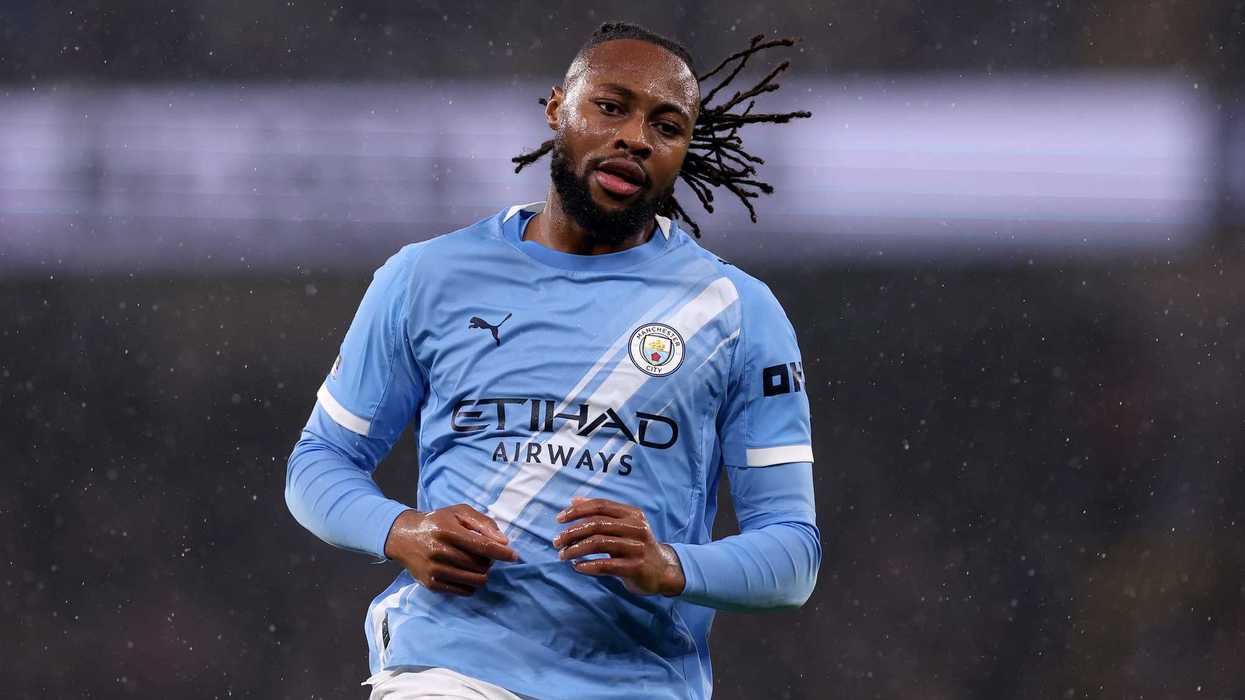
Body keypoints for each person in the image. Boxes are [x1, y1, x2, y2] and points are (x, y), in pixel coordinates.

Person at [285, 22, 820, 700]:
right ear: (556, 107)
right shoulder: (427, 278)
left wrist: (669, 565)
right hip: (451, 668)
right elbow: (319, 462)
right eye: (610, 106)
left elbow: (791, 558)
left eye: (666, 125)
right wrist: (402, 530)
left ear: (682, 150)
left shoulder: (738, 312)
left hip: (639, 681)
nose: (634, 136)